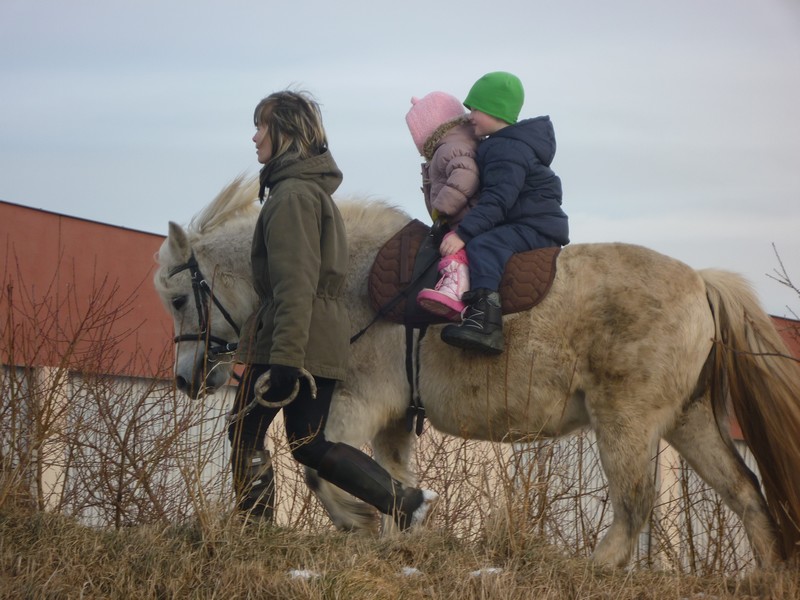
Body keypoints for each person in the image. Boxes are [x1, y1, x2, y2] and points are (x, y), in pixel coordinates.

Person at [230, 90, 438, 529]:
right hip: (316, 335)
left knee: (244, 430)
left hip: (290, 338)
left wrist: (284, 359)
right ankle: (405, 502)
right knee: (309, 443)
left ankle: (253, 532)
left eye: (261, 126)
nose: (254, 137)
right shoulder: (310, 192)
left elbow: (294, 282)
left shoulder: (291, 197)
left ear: (285, 132)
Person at [439, 72, 570, 355]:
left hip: (534, 226)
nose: (469, 116)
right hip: (534, 222)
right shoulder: (506, 144)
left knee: (485, 244)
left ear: (494, 110)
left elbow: (499, 198)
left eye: (475, 109)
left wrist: (464, 233)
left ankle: (484, 321)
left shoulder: (506, 148)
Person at [405, 92, 480, 320]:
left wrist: (442, 208)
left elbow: (466, 174)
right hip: (462, 217)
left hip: (464, 220)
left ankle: (455, 290)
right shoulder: (455, 143)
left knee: (453, 254)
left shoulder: (449, 148)